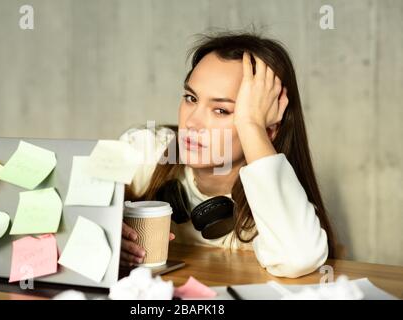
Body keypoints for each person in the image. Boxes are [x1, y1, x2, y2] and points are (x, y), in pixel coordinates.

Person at [119, 31, 335, 278]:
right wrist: (109, 234)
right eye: (191, 98)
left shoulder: (279, 202)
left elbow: (299, 258)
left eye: (221, 110)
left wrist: (252, 125)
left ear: (269, 129)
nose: (192, 122)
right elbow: (72, 205)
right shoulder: (143, 145)